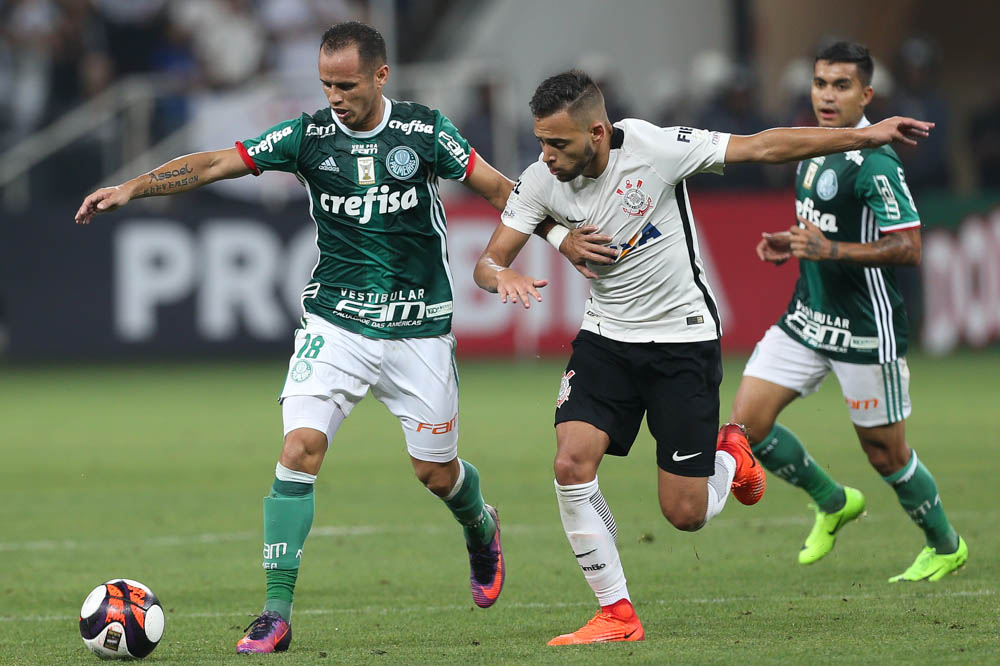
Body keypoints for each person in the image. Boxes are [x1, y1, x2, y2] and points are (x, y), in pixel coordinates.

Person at [76, 21, 523, 655]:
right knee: (300, 449)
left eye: (346, 84)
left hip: (417, 327)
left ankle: (480, 525)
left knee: (434, 471)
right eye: (325, 84)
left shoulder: (424, 132)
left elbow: (506, 192)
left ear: (380, 76)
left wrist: (562, 239)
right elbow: (214, 162)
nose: (334, 96)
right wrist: (135, 187)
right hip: (334, 324)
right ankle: (275, 613)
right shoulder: (308, 136)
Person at [474, 69, 934, 645]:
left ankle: (729, 457)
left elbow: (764, 145)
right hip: (606, 340)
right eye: (540, 141)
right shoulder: (542, 179)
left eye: (558, 143)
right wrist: (506, 273)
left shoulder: (655, 148)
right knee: (570, 463)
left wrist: (865, 137)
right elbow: (486, 263)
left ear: (597, 131)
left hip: (681, 341)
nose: (547, 156)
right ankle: (616, 613)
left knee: (685, 513)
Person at [732, 42, 967, 582]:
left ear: (867, 94)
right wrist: (792, 243)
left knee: (886, 455)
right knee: (747, 423)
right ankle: (832, 501)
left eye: (841, 85)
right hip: (808, 316)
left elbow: (909, 247)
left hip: (866, 327)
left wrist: (830, 251)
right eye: (820, 83)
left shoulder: (876, 163)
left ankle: (945, 544)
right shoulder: (812, 144)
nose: (827, 95)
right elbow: (823, 227)